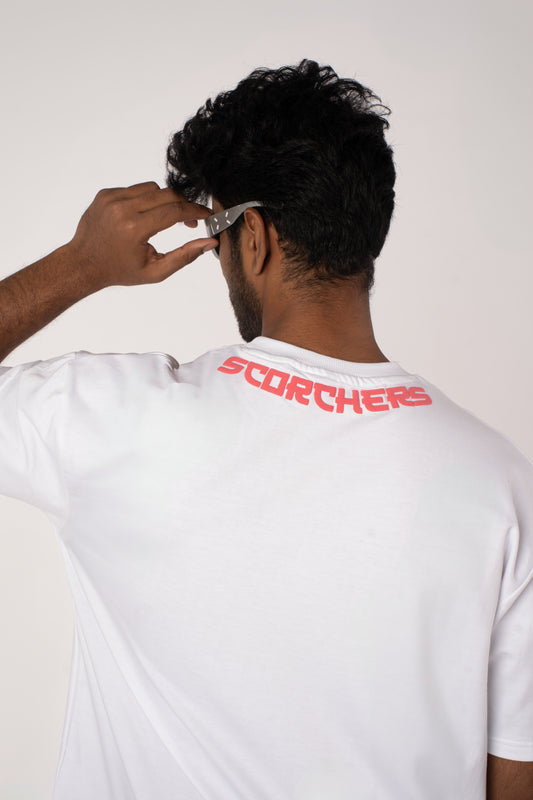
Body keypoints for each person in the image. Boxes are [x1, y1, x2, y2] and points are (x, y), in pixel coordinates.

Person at [0, 59, 532, 800]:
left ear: (252, 237)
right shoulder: (501, 483)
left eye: (218, 237)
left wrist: (80, 265)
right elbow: (514, 776)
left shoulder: (109, 418)